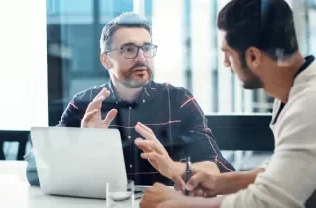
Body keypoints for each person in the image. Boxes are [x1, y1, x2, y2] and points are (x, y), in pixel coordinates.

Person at [140, 0, 316, 207]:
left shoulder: (313, 101)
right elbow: (286, 171)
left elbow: (267, 202)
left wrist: (178, 203)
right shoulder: (294, 91)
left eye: (228, 53)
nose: (226, 63)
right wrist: (220, 182)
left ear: (254, 56)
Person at [24, 12, 234, 187]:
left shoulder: (178, 101)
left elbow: (220, 170)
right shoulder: (85, 104)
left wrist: (172, 167)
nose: (141, 58)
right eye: (129, 49)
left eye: (146, 48)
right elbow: (35, 171)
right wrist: (81, 143)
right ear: (106, 59)